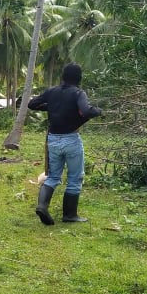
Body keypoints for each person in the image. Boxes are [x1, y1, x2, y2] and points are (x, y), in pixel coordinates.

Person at [28, 63, 102, 224]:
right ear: (79, 78)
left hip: (53, 139)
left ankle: (42, 206)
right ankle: (70, 215)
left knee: (53, 176)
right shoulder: (78, 93)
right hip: (71, 139)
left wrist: (52, 107)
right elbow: (87, 111)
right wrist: (98, 111)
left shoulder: (52, 91)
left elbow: (32, 104)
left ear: (63, 76)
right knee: (75, 177)